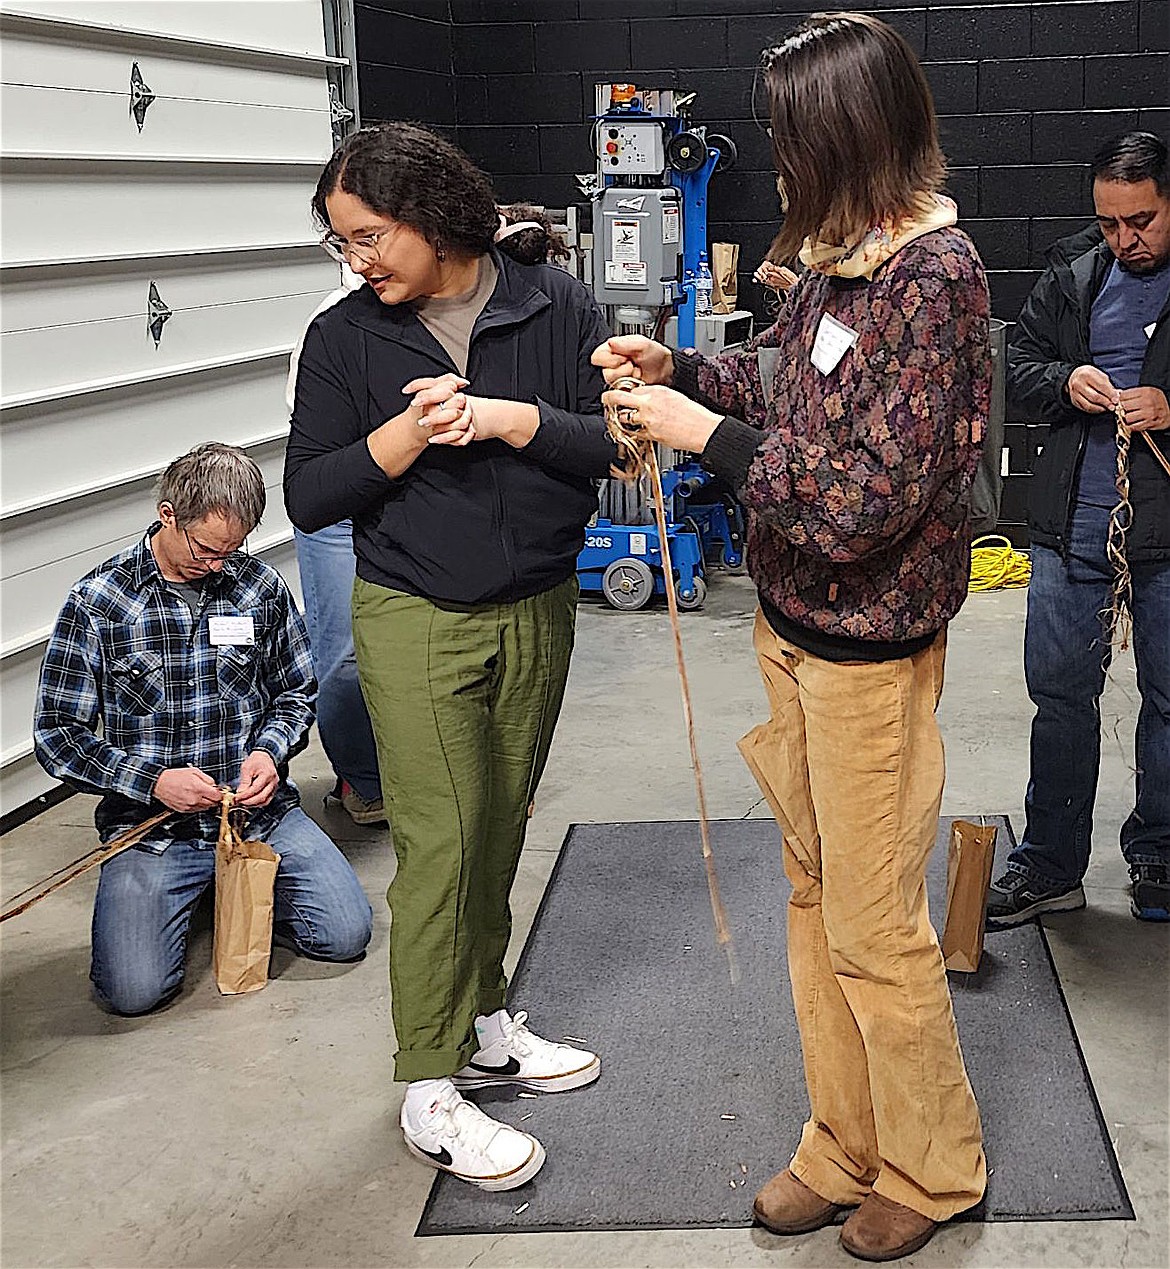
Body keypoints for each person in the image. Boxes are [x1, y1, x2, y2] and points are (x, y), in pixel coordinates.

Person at [594, 14, 988, 1261]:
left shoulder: (937, 276)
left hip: (869, 655)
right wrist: (689, 367)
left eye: (785, 138)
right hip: (791, 630)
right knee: (817, 905)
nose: (773, 159)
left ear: (843, 140)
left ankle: (931, 1171)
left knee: (876, 928)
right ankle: (844, 1145)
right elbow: (790, 379)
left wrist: (692, 431)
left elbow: (867, 499)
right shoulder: (842, 257)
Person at [284, 123, 615, 1192]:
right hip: (416, 613)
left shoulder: (550, 302)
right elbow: (309, 495)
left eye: (371, 236)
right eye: (343, 243)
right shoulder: (345, 340)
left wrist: (514, 420)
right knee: (440, 844)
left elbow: (612, 444)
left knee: (500, 824)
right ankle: (428, 1088)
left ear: (433, 214)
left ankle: (482, 1020)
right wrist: (406, 437)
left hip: (539, 606)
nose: (358, 261)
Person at [33, 443, 373, 1016]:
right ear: (168, 515)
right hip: (153, 830)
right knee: (132, 993)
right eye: (207, 549)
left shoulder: (259, 589)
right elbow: (57, 734)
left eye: (233, 550)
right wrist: (152, 782)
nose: (220, 565)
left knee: (345, 936)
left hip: (255, 818)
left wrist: (269, 751)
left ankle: (230, 885)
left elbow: (296, 691)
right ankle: (198, 894)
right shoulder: (99, 603)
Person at [987, 131, 1170, 927]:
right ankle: (1052, 863)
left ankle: (1160, 854)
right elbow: (1017, 366)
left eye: (1142, 221)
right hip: (1071, 532)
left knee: (1169, 703)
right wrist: (1068, 378)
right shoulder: (1073, 269)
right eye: (1109, 223)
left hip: (1166, 542)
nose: (1125, 239)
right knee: (1061, 700)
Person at [287, 266, 386, 828]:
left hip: (406, 500)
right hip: (341, 507)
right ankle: (363, 778)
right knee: (344, 656)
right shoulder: (330, 327)